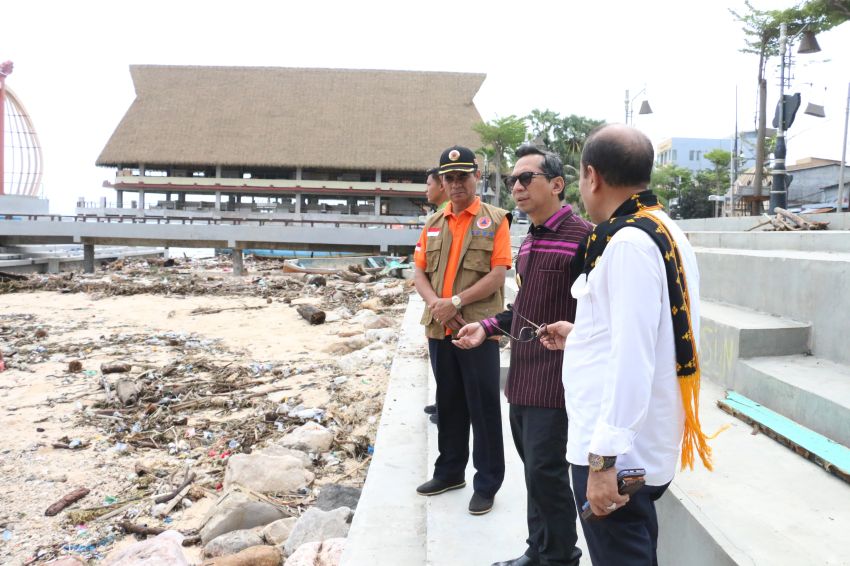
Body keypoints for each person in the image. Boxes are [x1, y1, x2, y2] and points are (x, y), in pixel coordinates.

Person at [539, 124, 713, 565]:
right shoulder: (664, 229)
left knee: (622, 553)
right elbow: (648, 335)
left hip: (618, 453)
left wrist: (602, 461)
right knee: (635, 548)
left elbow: (633, 357)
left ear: (591, 176)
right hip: (638, 445)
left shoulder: (627, 243)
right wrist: (578, 336)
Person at [454, 145, 592, 566]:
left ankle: (560, 557)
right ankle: (538, 551)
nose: (516, 186)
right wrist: (487, 327)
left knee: (548, 475)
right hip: (523, 378)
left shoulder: (585, 238)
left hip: (557, 380)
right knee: (534, 474)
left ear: (556, 184)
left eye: (526, 178)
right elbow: (525, 310)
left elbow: (600, 314)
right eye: (513, 180)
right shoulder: (530, 239)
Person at [413, 145, 511, 515]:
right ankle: (450, 471)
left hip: (479, 329)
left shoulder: (495, 220)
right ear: (442, 181)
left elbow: (498, 274)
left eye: (462, 177)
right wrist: (437, 305)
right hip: (440, 329)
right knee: (450, 403)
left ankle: (487, 483)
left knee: (483, 406)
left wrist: (454, 302)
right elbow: (420, 272)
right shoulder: (433, 222)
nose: (455, 184)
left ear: (476, 178)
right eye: (448, 178)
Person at [423, 166, 449, 423]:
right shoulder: (436, 217)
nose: (426, 190)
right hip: (435, 301)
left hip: (447, 302)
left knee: (445, 364)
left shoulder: (447, 217)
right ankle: (442, 402)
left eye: (429, 184)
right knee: (439, 360)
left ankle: (446, 407)